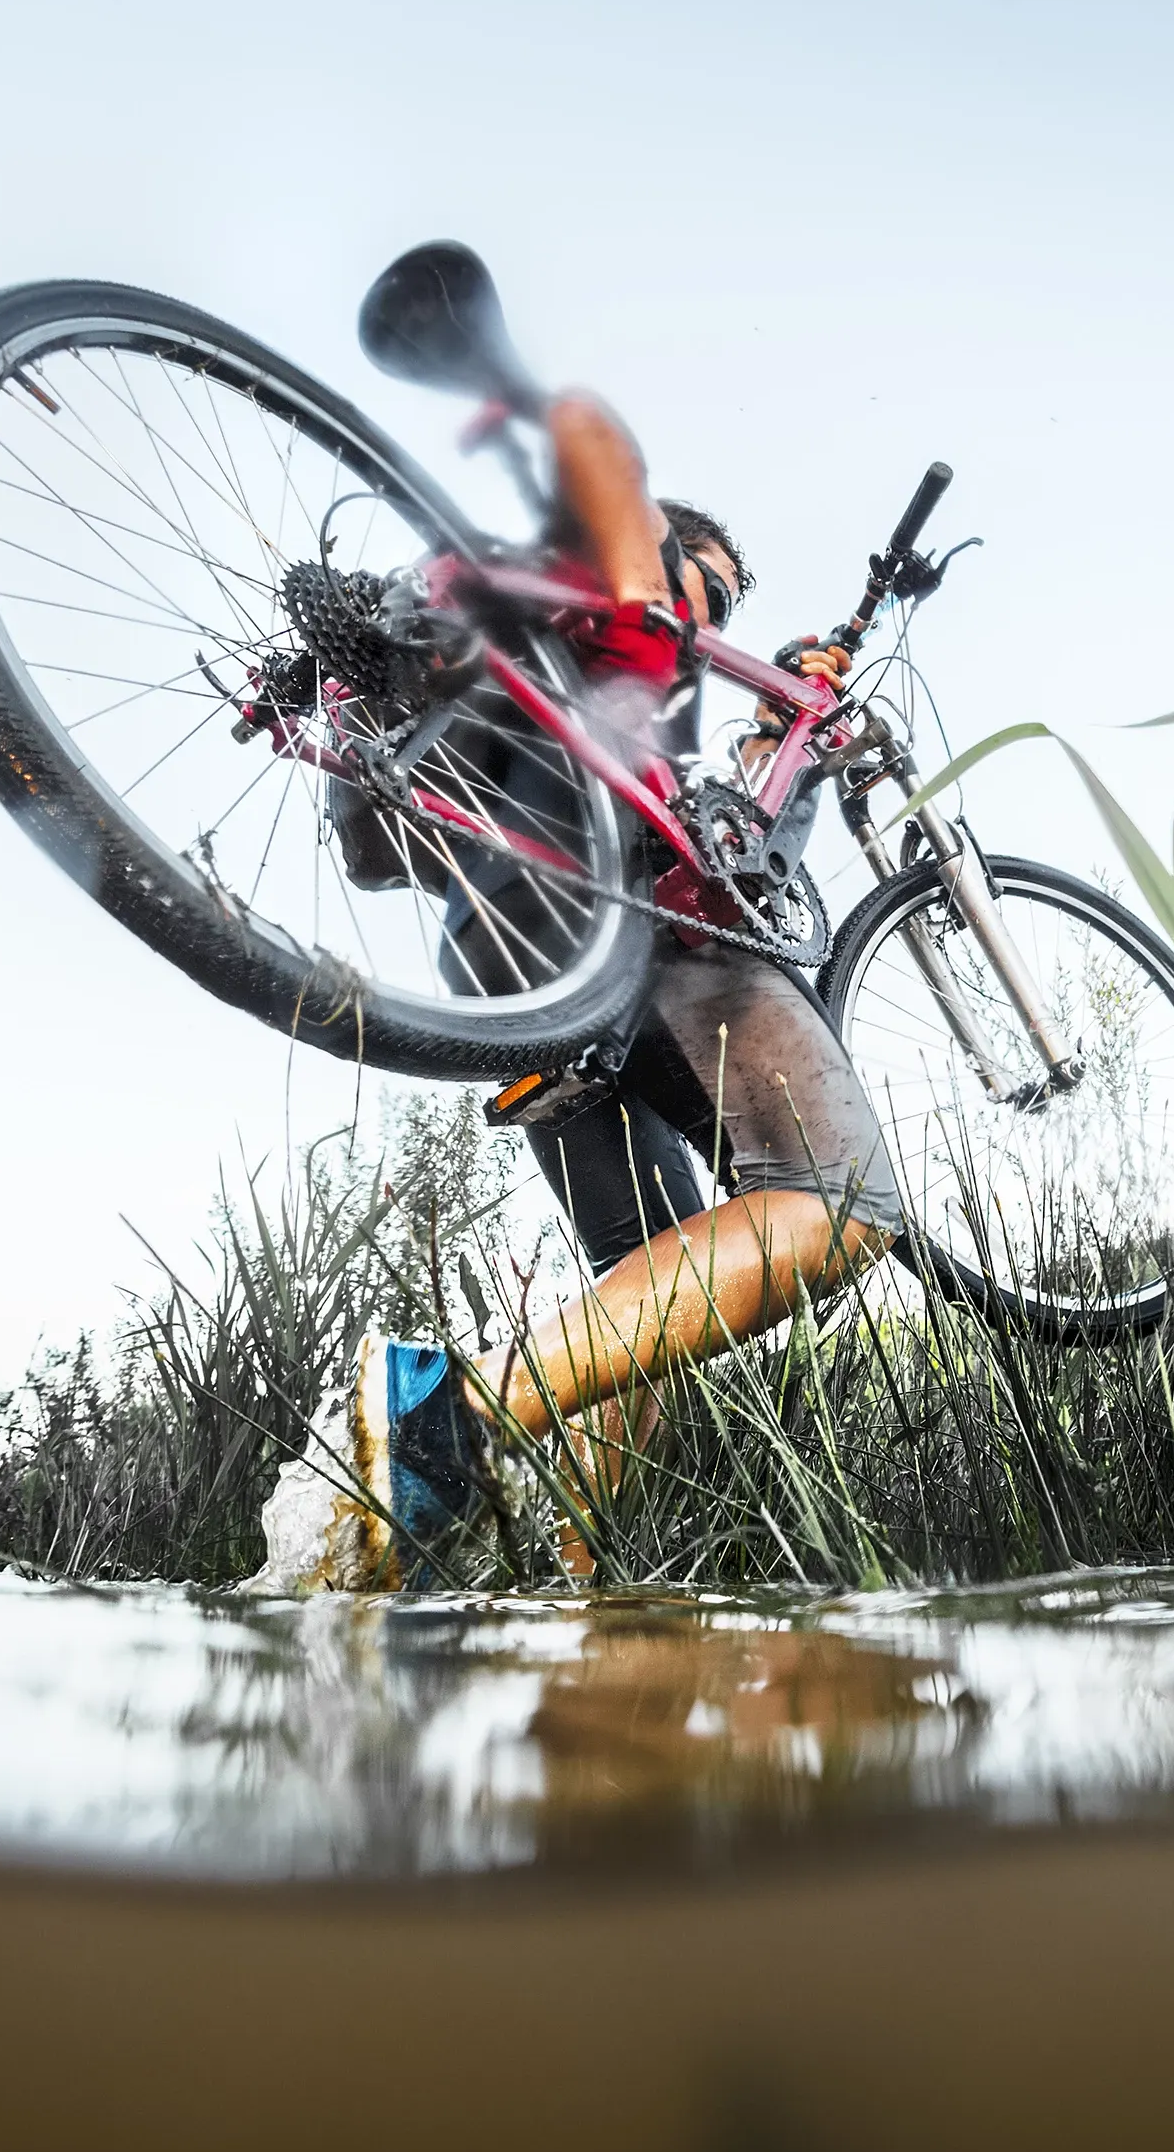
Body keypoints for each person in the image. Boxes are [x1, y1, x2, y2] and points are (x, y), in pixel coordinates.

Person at [334, 387, 902, 1586]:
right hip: (640, 934)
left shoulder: (551, 668)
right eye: (714, 585)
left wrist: (778, 744)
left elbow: (739, 850)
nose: (720, 614)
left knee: (639, 1295)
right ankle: (455, 1421)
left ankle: (579, 1587)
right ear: (661, 549)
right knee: (839, 1202)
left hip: (517, 967)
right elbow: (601, 445)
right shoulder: (615, 596)